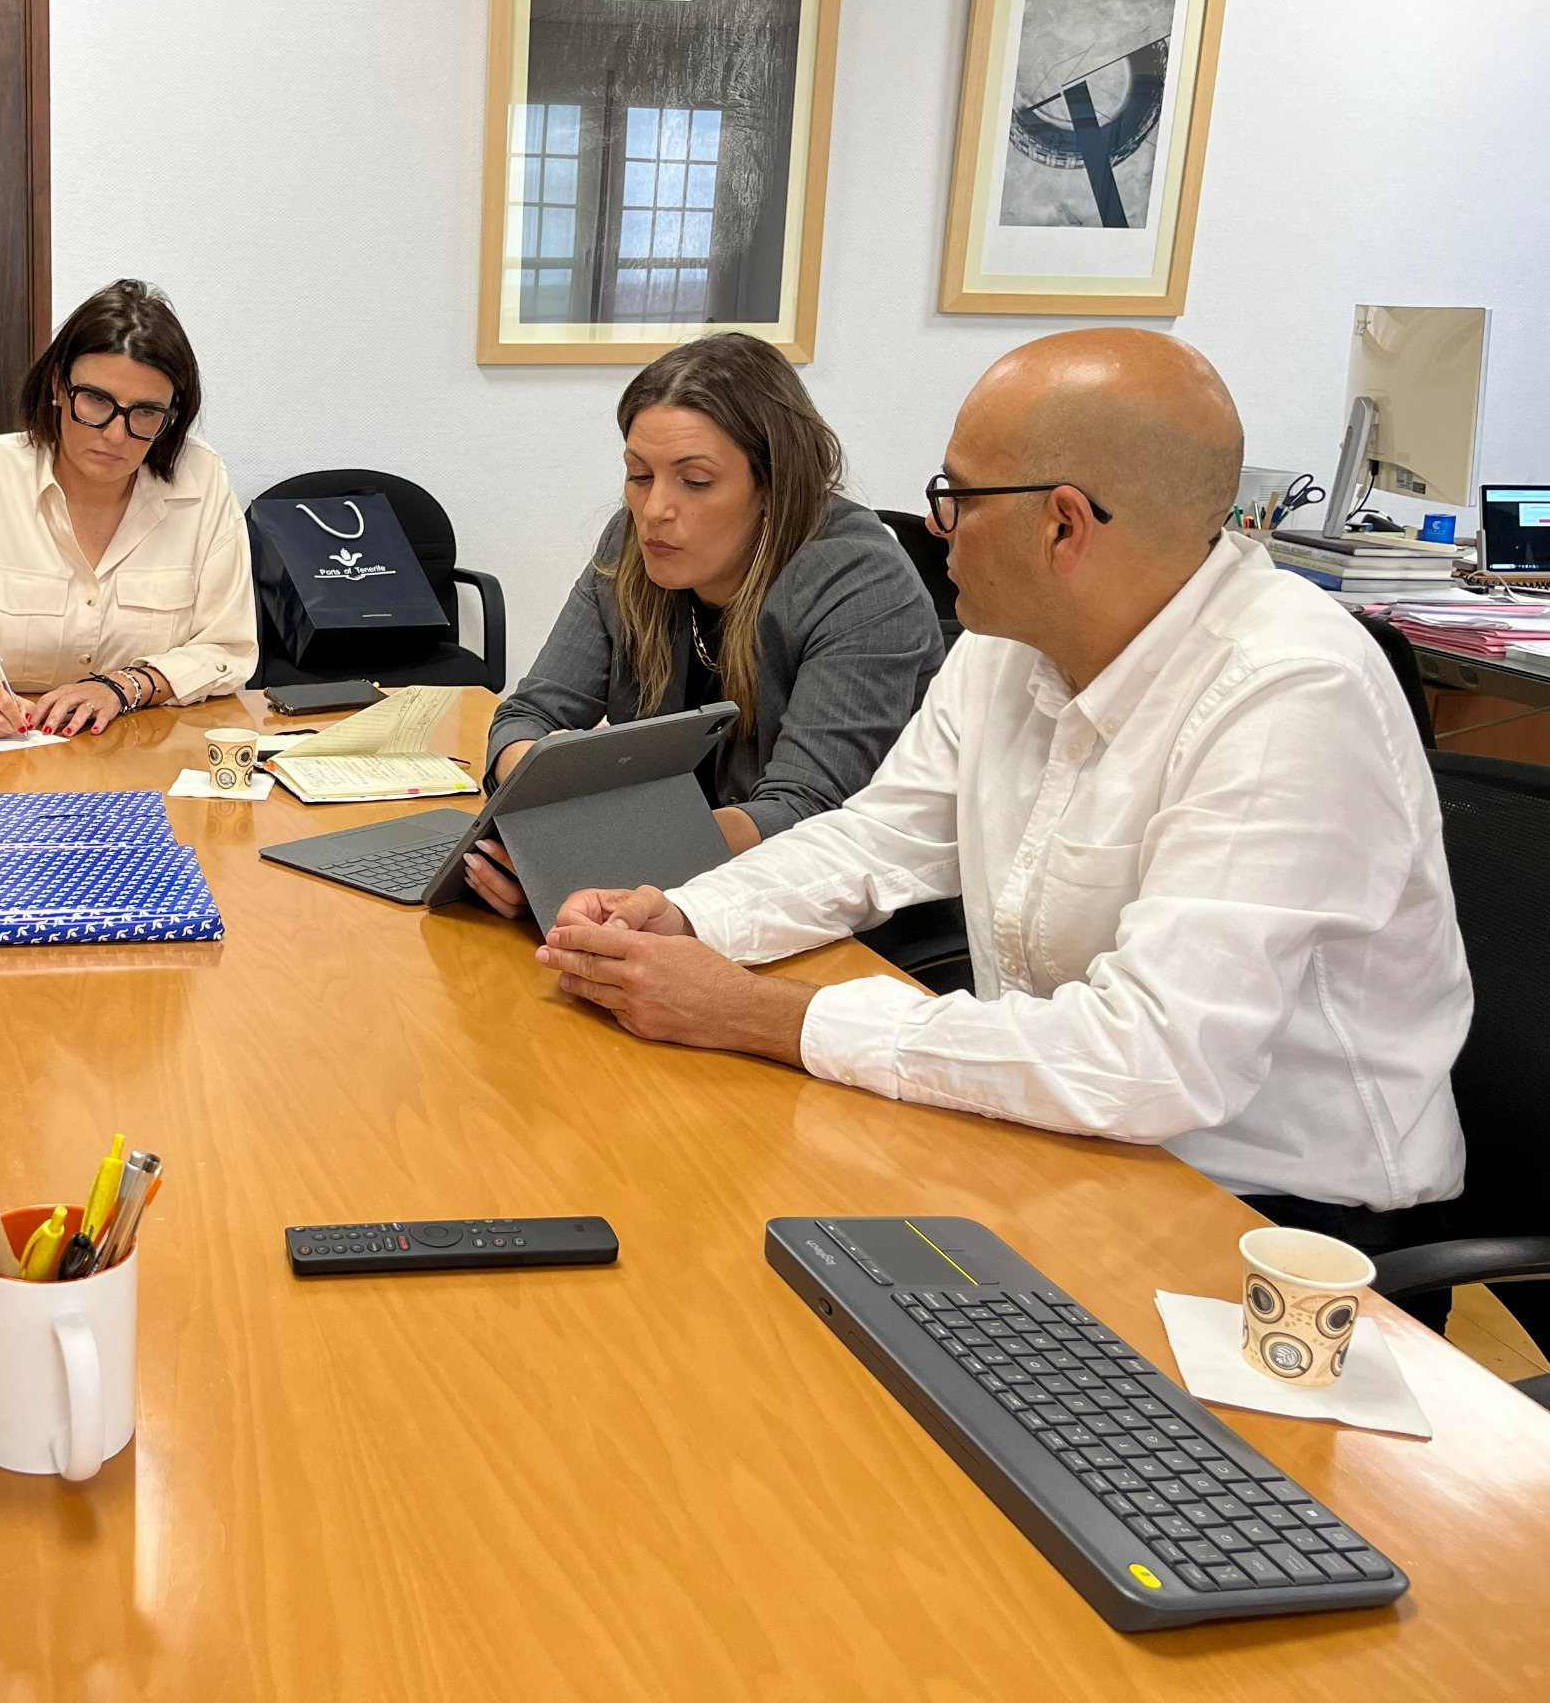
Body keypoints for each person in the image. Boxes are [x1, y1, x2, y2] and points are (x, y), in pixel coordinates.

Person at [535, 329, 1469, 1239]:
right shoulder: (1004, 646)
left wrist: (762, 1014)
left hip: (1271, 1216)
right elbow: (876, 839)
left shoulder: (1290, 694)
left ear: (1063, 523)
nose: (935, 527)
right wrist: (687, 916)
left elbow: (1149, 1061)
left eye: (957, 497)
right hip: (1064, 1143)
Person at [463, 332, 943, 918]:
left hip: (830, 920)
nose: (654, 510)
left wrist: (586, 862)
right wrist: (536, 840)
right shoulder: (631, 545)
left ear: (771, 485)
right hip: (670, 900)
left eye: (695, 482)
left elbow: (805, 812)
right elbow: (528, 716)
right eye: (640, 475)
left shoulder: (860, 582)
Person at [0, 279, 255, 735]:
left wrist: (122, 687)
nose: (115, 434)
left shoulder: (202, 481)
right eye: (96, 400)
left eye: (146, 412)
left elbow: (227, 648)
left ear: (172, 417)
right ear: (58, 386)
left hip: (138, 753)